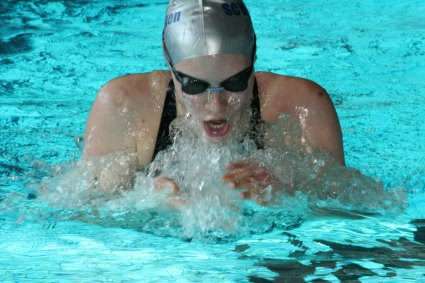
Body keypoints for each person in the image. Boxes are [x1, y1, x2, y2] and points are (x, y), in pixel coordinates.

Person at [82, 0, 344, 205]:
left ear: (254, 58)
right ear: (170, 66)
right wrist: (147, 201)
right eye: (195, 86)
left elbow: (350, 211)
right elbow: (80, 215)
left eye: (235, 82)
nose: (217, 105)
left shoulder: (304, 106)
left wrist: (288, 196)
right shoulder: (123, 105)